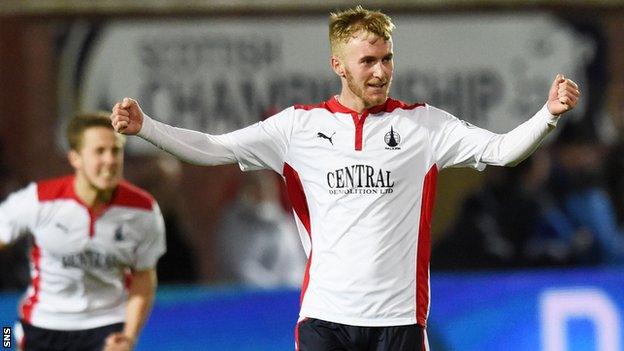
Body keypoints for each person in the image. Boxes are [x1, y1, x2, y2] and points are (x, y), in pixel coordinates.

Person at [110, 6, 579, 350]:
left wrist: (547, 116)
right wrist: (147, 128)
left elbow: (502, 151)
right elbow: (214, 149)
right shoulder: (297, 128)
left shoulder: (424, 126)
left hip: (400, 322)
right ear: (338, 66)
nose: (380, 72)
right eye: (367, 62)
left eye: (387, 59)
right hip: (325, 320)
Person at [0, 113, 166, 351]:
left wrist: (128, 336)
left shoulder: (143, 210)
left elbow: (144, 276)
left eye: (115, 151)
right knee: (5, 340)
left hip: (106, 328)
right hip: (40, 327)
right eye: (99, 151)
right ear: (75, 158)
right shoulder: (38, 200)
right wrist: (4, 337)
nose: (109, 160)